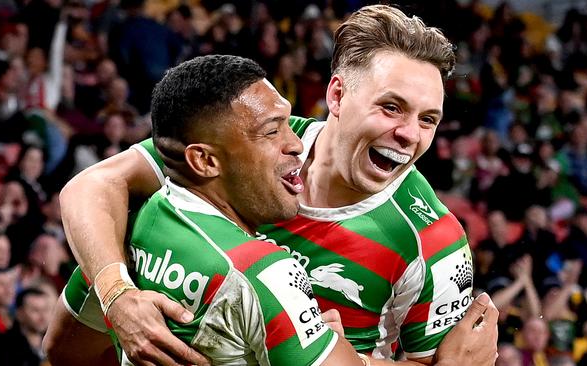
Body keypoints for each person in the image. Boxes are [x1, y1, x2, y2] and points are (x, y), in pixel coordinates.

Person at [47, 5, 499, 366]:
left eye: (428, 119)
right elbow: (93, 186)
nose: (409, 134)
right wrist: (118, 297)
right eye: (392, 107)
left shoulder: (434, 242)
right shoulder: (252, 147)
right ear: (337, 95)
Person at [51, 54, 369, 365]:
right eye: (272, 131)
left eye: (287, 122)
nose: (296, 143)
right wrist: (337, 347)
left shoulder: (127, 232)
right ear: (205, 161)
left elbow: (62, 351)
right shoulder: (265, 273)